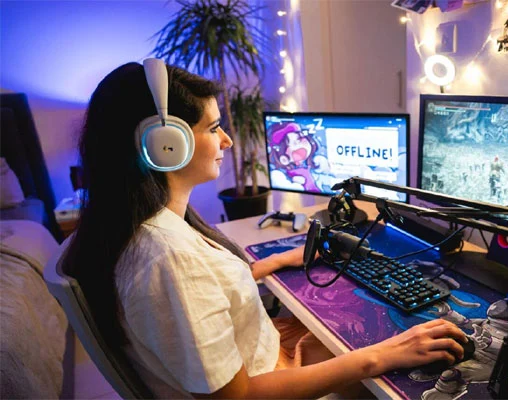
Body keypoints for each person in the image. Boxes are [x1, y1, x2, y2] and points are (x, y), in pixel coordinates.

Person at [59, 61, 469, 399]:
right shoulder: (169, 259)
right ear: (166, 145)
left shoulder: (140, 230)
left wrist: (272, 262)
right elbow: (237, 397)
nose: (227, 141)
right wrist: (383, 355)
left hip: (269, 357)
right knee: (406, 360)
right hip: (266, 382)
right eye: (213, 128)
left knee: (353, 330)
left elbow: (199, 296)